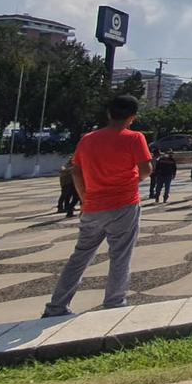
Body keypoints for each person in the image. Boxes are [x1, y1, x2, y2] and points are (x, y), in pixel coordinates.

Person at [43, 95, 151, 318]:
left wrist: (84, 199)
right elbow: (146, 169)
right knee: (120, 255)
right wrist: (135, 180)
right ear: (132, 118)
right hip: (124, 204)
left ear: (109, 113)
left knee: (80, 256)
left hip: (93, 206)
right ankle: (114, 302)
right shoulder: (134, 137)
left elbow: (76, 171)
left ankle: (57, 306)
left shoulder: (87, 139)